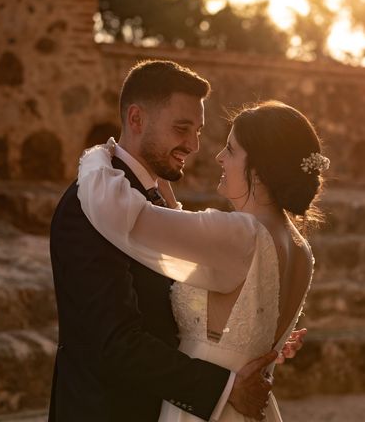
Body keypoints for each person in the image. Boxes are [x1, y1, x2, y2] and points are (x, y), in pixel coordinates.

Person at [49, 60, 293, 422]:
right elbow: (112, 342)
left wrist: (250, 334)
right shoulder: (90, 206)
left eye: (197, 130)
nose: (193, 145)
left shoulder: (157, 202)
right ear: (136, 120)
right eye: (182, 128)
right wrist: (225, 388)